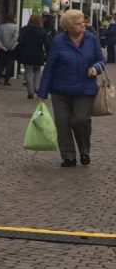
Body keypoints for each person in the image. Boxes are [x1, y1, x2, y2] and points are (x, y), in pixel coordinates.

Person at [37, 8, 105, 167]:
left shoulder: (91, 39)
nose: (83, 25)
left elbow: (101, 60)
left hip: (85, 89)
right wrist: (42, 92)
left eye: (83, 22)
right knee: (62, 122)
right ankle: (68, 156)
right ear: (69, 26)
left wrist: (96, 68)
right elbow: (50, 67)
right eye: (79, 23)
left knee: (81, 120)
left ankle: (84, 151)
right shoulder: (59, 41)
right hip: (60, 90)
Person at [17, 14, 48, 99]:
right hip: (38, 53)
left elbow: (19, 40)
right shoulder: (42, 31)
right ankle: (37, 87)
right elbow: (47, 43)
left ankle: (30, 91)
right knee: (37, 71)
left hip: (26, 53)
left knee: (28, 72)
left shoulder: (24, 29)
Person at [0, 10, 19, 85]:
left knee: (1, 63)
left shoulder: (1, 27)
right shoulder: (16, 27)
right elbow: (15, 38)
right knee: (9, 64)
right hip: (12, 48)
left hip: (2, 48)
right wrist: (11, 46)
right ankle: (6, 80)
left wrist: (2, 47)